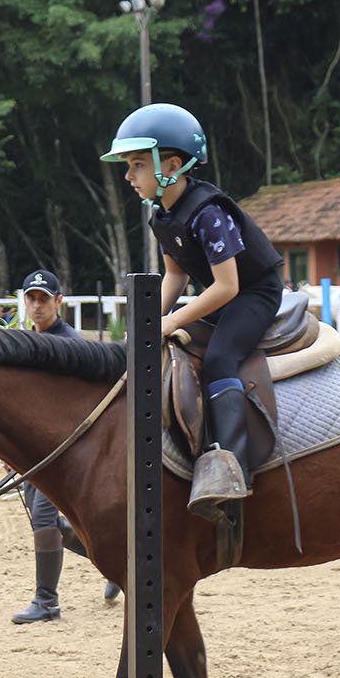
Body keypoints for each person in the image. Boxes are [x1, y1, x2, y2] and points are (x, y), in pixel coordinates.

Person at [101, 103, 284, 525]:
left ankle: (230, 467)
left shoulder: (209, 212)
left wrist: (172, 321)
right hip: (223, 295)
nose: (128, 176)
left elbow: (228, 286)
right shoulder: (162, 215)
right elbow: (175, 277)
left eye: (135, 165)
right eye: (128, 166)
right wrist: (145, 326)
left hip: (254, 294)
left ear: (172, 164)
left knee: (220, 359)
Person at [9, 269, 120, 623]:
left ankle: (47, 601)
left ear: (59, 302)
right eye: (31, 298)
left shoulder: (70, 344)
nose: (37, 305)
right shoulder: (27, 343)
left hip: (66, 450)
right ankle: (120, 565)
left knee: (44, 517)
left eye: (44, 298)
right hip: (36, 452)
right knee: (53, 524)